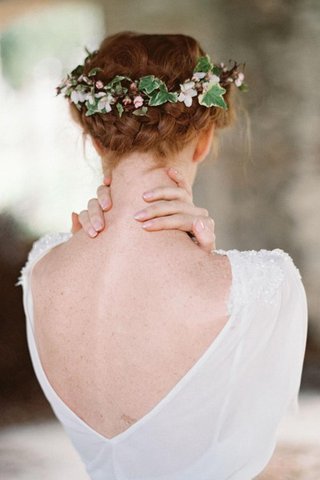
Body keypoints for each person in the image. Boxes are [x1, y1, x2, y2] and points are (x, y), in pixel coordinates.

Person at [17, 32, 308, 480]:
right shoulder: (264, 285)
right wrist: (209, 265)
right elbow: (252, 457)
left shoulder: (41, 267)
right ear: (204, 140)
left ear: (96, 141)